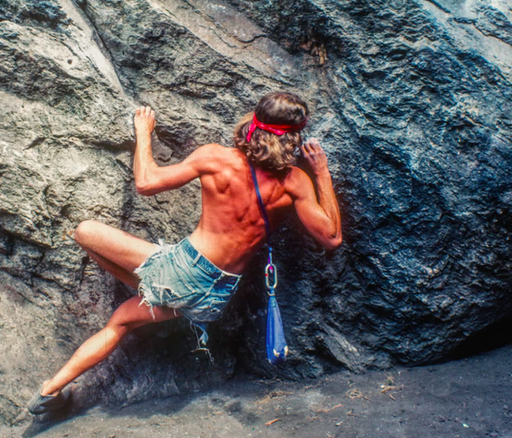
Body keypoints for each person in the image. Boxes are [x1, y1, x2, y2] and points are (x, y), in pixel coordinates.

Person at [27, 92, 342, 414]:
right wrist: (321, 173)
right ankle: (54, 391)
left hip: (183, 270)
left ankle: (51, 390)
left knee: (85, 232)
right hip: (213, 298)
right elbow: (331, 238)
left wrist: (143, 133)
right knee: (122, 320)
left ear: (253, 124)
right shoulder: (295, 182)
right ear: (293, 138)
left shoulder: (216, 159)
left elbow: (146, 182)